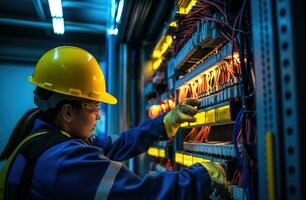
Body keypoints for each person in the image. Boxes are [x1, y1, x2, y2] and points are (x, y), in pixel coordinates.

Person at [0, 46, 225, 200]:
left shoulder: (43, 138)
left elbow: (114, 144)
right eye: (94, 107)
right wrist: (198, 177)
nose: (98, 116)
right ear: (68, 112)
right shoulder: (64, 160)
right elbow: (138, 194)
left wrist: (164, 124)